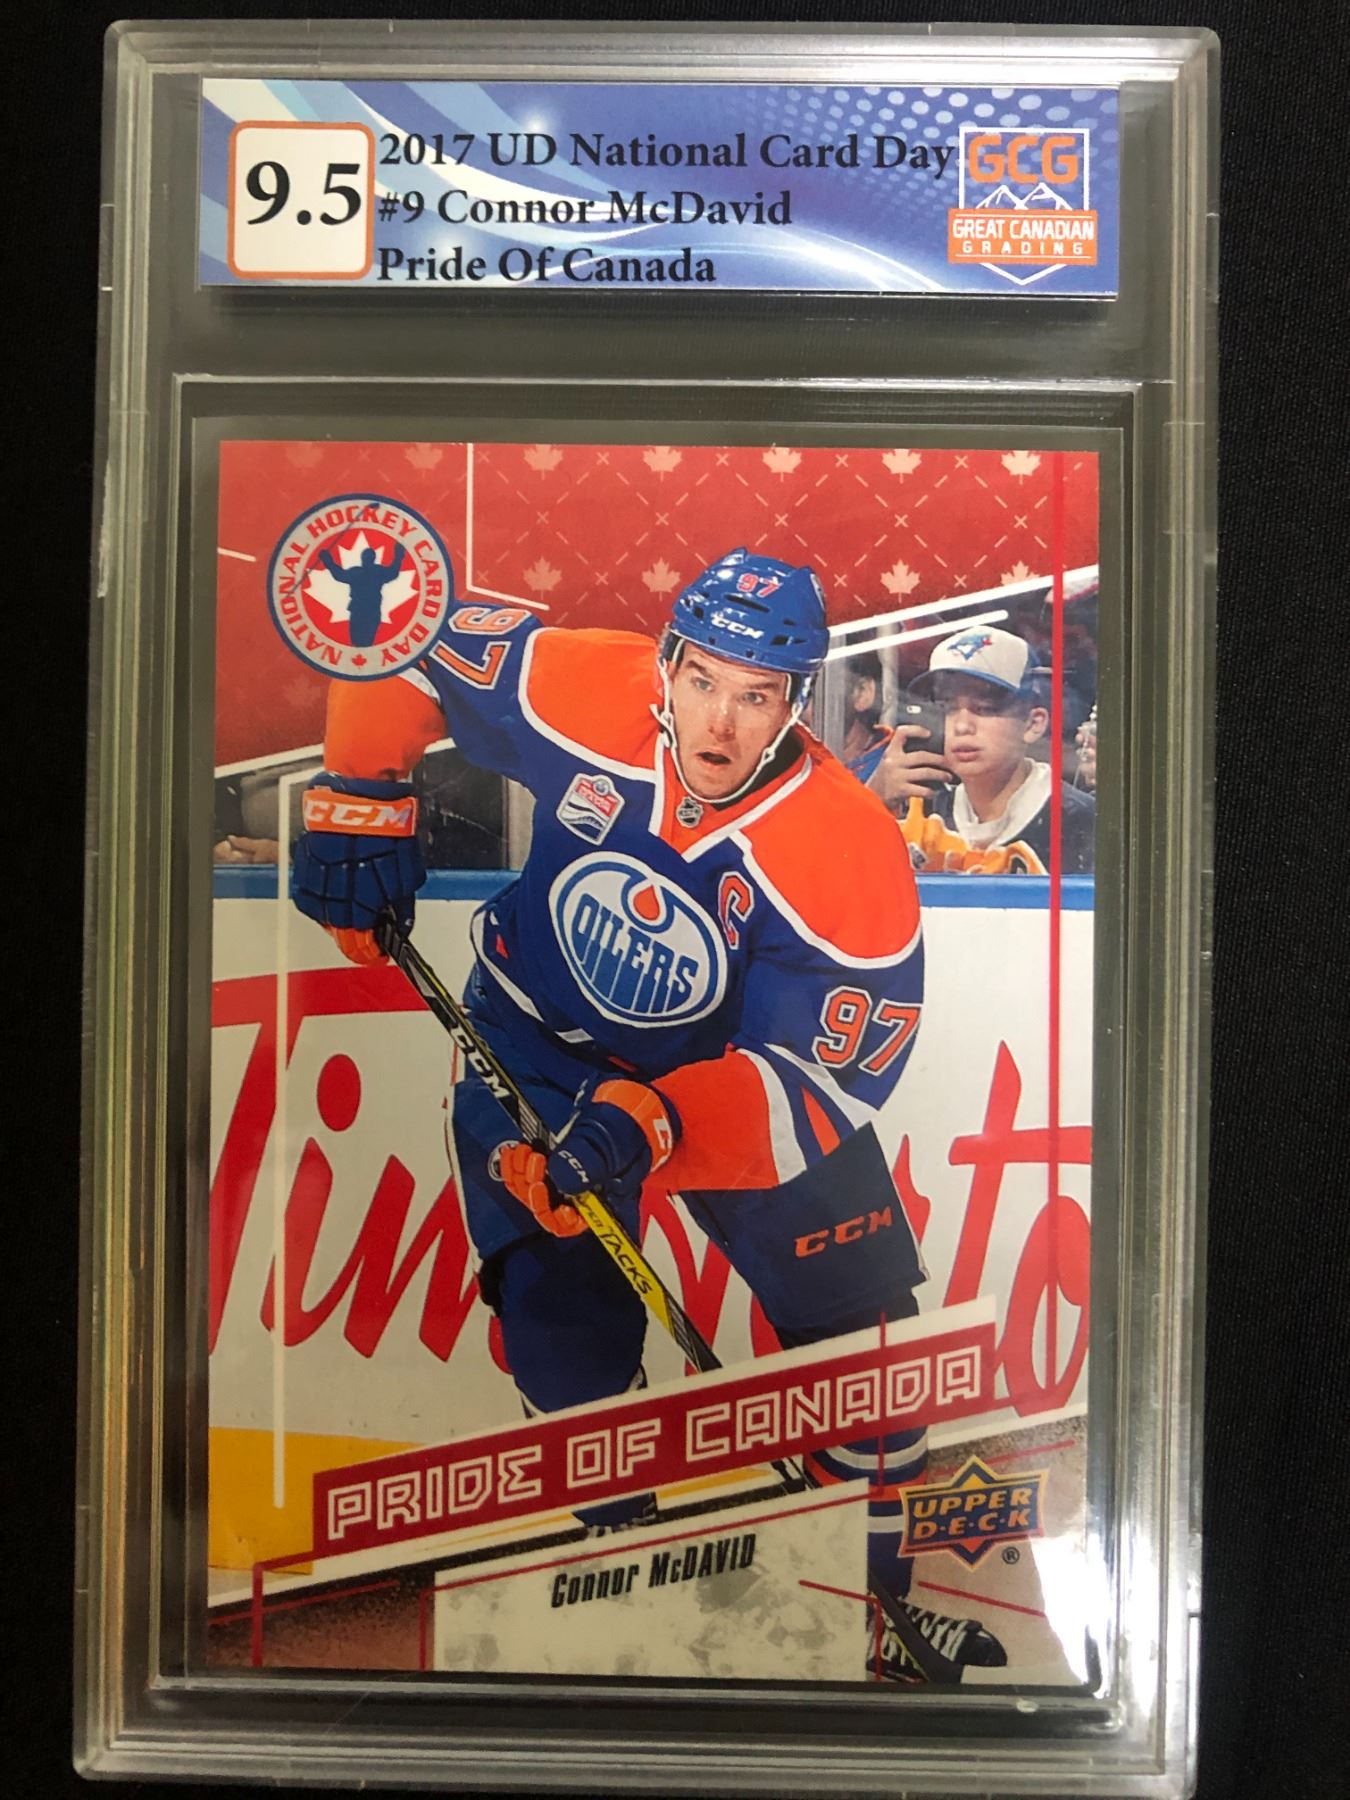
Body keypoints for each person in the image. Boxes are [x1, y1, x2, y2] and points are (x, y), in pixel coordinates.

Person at [291, 547, 1006, 1682]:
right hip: (536, 1048)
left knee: (868, 1350)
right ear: (666, 662)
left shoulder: (844, 850)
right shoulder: (584, 687)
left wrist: (651, 1125)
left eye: (756, 695)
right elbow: (398, 629)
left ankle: (872, 1616)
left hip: (728, 1085)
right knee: (562, 1333)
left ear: (797, 702)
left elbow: (820, 1080)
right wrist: (358, 798)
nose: (720, 721)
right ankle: (633, 1584)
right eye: (702, 679)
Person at [867, 625, 1095, 874]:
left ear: (1033, 724)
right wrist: (870, 802)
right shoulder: (920, 815)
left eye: (985, 708)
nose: (962, 726)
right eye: (948, 708)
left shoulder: (1082, 824)